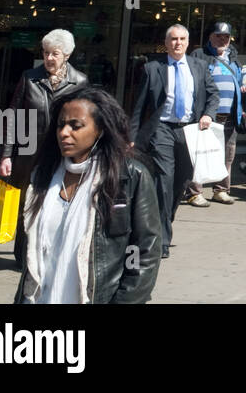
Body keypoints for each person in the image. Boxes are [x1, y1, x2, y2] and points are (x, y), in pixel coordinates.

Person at [16, 88, 160, 303]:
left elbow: (143, 251)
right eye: (60, 125)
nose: (64, 132)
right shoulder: (42, 176)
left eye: (76, 126)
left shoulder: (130, 177)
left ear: (100, 130)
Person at [0, 29, 89, 269]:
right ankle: (22, 255)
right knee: (27, 204)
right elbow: (12, 117)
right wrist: (6, 155)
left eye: (55, 53)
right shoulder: (30, 77)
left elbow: (86, 123)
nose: (49, 58)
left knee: (58, 203)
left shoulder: (79, 81)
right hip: (28, 154)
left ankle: (50, 253)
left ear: (67, 54)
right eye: (46, 52)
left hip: (62, 155)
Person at [129, 24, 219, 259]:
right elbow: (139, 106)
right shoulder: (152, 68)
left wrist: (208, 114)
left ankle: (165, 220)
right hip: (162, 130)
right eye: (173, 39)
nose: (177, 43)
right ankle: (162, 240)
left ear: (188, 42)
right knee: (164, 181)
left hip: (190, 131)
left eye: (182, 39)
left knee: (181, 182)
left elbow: (213, 94)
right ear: (166, 43)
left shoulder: (200, 67)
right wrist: (132, 137)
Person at [185, 21, 246, 206]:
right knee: (200, 153)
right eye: (218, 35)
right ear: (210, 36)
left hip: (230, 115)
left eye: (226, 37)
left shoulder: (234, 59)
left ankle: (221, 190)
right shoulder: (199, 55)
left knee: (227, 155)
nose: (222, 39)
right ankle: (194, 192)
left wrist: (242, 92)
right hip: (206, 114)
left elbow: (237, 82)